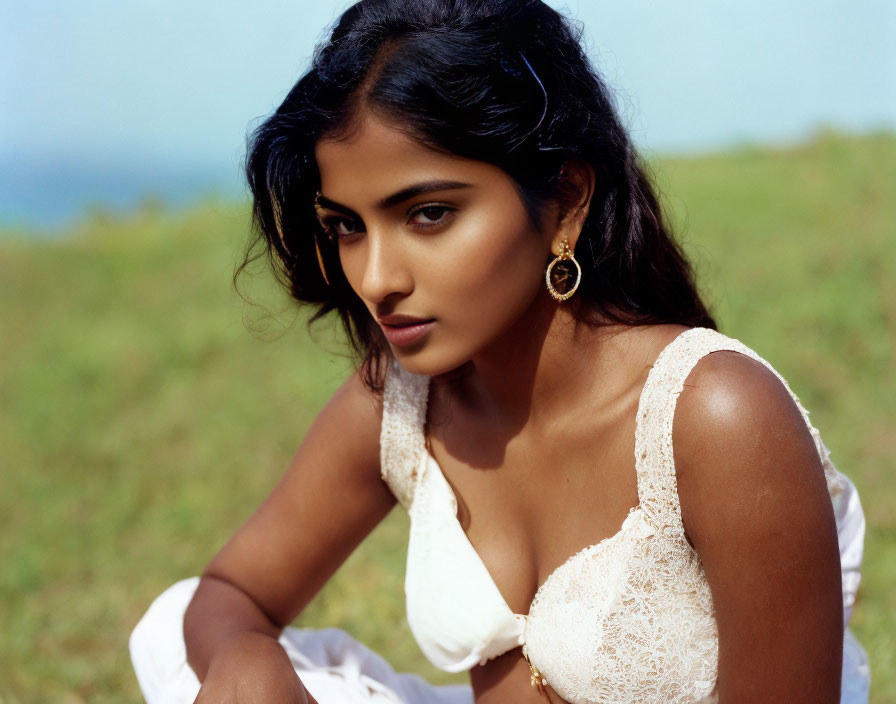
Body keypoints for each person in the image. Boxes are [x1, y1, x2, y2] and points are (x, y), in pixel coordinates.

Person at [129, 0, 871, 702]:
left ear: (567, 199)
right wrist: (246, 658)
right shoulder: (401, 405)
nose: (376, 279)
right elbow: (230, 595)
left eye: (429, 213)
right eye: (346, 226)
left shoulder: (715, 418)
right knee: (179, 639)